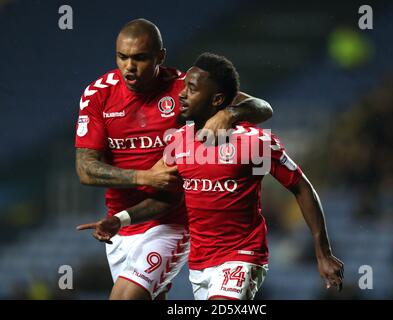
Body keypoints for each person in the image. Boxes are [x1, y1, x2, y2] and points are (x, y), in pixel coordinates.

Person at [78, 52, 344, 300]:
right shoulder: (179, 142)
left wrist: (323, 253)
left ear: (217, 100)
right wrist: (120, 219)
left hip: (242, 256)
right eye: (184, 87)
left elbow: (301, 187)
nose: (181, 95)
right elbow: (167, 200)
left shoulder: (253, 142)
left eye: (191, 89)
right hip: (201, 263)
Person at [74, 18, 273, 300]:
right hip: (122, 224)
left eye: (140, 58)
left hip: (171, 220)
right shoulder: (98, 95)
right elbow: (85, 170)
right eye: (123, 57)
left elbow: (263, 107)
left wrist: (230, 114)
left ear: (160, 57)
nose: (129, 66)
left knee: (124, 298)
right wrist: (144, 176)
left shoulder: (185, 88)